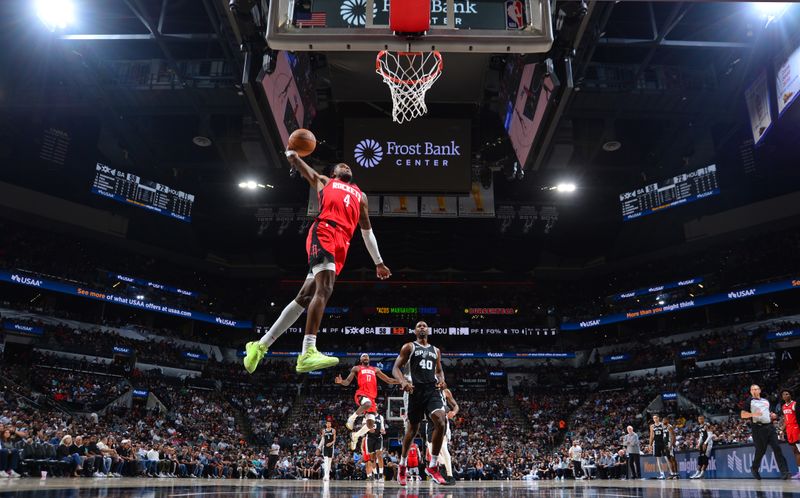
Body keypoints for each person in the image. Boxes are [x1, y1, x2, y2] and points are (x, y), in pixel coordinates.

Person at [243, 153, 392, 374]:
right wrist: (293, 157)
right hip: (325, 231)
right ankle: (308, 351)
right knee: (325, 288)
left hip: (342, 242)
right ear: (334, 173)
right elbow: (308, 172)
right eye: (342, 165)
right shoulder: (326, 182)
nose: (346, 166)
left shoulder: (361, 196)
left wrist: (378, 262)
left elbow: (367, 232)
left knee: (304, 297)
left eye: (348, 165)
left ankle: (260, 345)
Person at [392, 321, 450, 486]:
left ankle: (433, 466)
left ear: (429, 330)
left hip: (432, 390)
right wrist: (403, 382)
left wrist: (442, 381)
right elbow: (395, 368)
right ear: (415, 331)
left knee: (441, 420)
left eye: (425, 325)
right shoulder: (409, 347)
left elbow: (439, 371)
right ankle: (402, 465)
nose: (422, 327)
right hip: (414, 390)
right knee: (412, 430)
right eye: (419, 326)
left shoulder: (436, 351)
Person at [335, 353, 399, 449]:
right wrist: (341, 382)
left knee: (370, 425)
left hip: (372, 397)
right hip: (362, 394)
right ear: (361, 360)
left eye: (367, 356)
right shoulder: (356, 368)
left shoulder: (375, 369)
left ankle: (355, 435)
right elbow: (347, 381)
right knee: (367, 403)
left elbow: (389, 380)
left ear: (369, 359)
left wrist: (402, 381)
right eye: (363, 356)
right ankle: (351, 418)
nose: (366, 357)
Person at [740, 384, 790, 480]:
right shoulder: (749, 401)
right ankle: (754, 468)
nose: (754, 390)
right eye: (752, 389)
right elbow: (743, 415)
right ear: (750, 391)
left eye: (756, 389)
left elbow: (768, 412)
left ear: (759, 390)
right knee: (760, 451)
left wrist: (772, 415)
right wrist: (754, 414)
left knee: (777, 448)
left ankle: (785, 472)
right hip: (758, 428)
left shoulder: (765, 401)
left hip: (769, 427)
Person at [423, 387, 459, 484]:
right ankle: (443, 465)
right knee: (431, 450)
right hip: (430, 421)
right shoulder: (426, 390)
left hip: (442, 419)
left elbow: (456, 406)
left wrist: (454, 412)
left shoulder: (445, 391)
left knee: (443, 447)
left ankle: (450, 475)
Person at [780, 389, 800, 479]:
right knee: (795, 451)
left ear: (790, 395)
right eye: (784, 395)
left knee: (799, 451)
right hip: (789, 430)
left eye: (787, 394)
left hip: (796, 429)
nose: (785, 396)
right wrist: (781, 430)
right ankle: (799, 472)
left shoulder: (795, 404)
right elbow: (786, 419)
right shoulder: (783, 406)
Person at [648, 414, 669, 479]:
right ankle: (662, 474)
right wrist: (650, 445)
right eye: (654, 418)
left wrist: (667, 443)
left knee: (667, 458)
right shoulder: (652, 426)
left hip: (663, 443)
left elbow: (666, 434)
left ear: (658, 418)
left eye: (656, 418)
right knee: (658, 459)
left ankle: (671, 472)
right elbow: (651, 436)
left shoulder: (662, 424)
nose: (655, 419)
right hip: (656, 443)